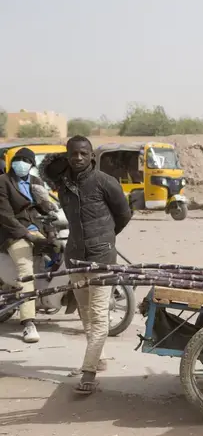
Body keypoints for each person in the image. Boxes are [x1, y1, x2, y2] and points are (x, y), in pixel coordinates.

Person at [47, 136, 132, 395]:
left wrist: (106, 238)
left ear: (92, 156)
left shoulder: (105, 182)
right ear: (68, 155)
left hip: (101, 259)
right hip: (74, 257)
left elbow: (124, 214)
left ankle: (88, 371)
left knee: (98, 315)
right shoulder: (64, 187)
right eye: (74, 154)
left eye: (84, 153)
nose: (79, 158)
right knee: (84, 312)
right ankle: (99, 357)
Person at [0, 148, 53, 343]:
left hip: (37, 229)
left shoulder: (36, 182)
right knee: (26, 270)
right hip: (13, 233)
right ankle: (28, 323)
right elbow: (5, 216)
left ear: (32, 165)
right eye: (18, 159)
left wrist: (46, 203)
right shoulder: (3, 182)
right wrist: (28, 236)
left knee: (64, 253)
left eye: (25, 160)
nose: (21, 163)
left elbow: (46, 209)